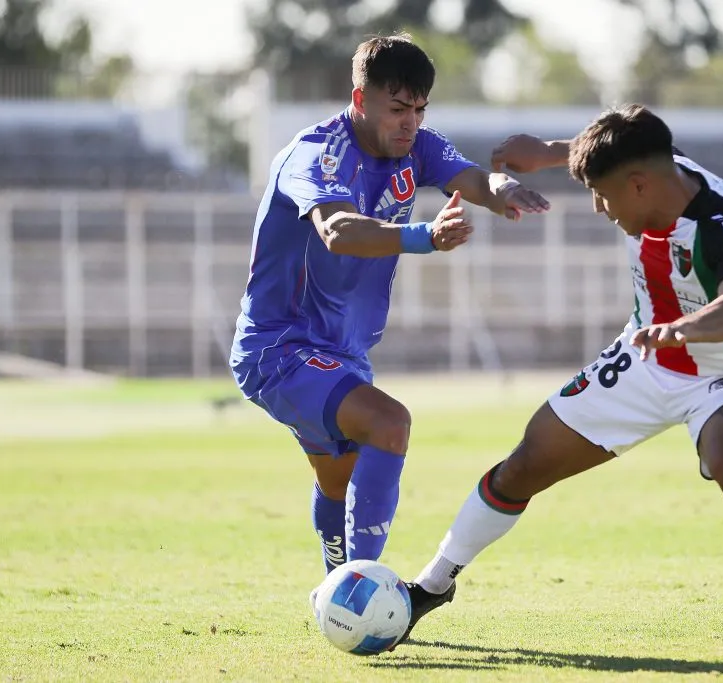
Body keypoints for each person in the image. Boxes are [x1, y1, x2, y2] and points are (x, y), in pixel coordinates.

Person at [397, 105, 723, 670]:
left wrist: (680, 328)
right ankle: (432, 586)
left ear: (640, 185)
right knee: (525, 462)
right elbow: (601, 146)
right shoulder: (644, 167)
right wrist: (546, 151)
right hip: (644, 357)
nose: (600, 210)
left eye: (603, 197)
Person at [228, 34, 549, 582]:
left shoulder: (415, 145)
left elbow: (471, 176)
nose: (411, 122)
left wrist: (502, 189)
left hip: (342, 352)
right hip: (279, 347)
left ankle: (334, 585)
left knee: (338, 480)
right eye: (398, 109)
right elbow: (337, 229)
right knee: (389, 423)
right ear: (360, 101)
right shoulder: (315, 155)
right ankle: (360, 588)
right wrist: (424, 236)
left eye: (420, 109)